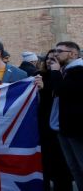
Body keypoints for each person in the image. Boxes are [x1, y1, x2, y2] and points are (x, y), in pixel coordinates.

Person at [49, 41, 83, 190]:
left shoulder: (79, 71)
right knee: (73, 166)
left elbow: (65, 92)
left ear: (73, 53)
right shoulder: (66, 71)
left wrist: (55, 72)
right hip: (63, 127)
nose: (55, 54)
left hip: (76, 128)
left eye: (59, 51)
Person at [38, 49, 73, 191]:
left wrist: (45, 88)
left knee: (62, 162)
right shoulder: (39, 76)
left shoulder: (64, 76)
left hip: (60, 124)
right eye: (48, 58)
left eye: (53, 59)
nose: (49, 61)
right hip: (44, 124)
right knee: (45, 160)